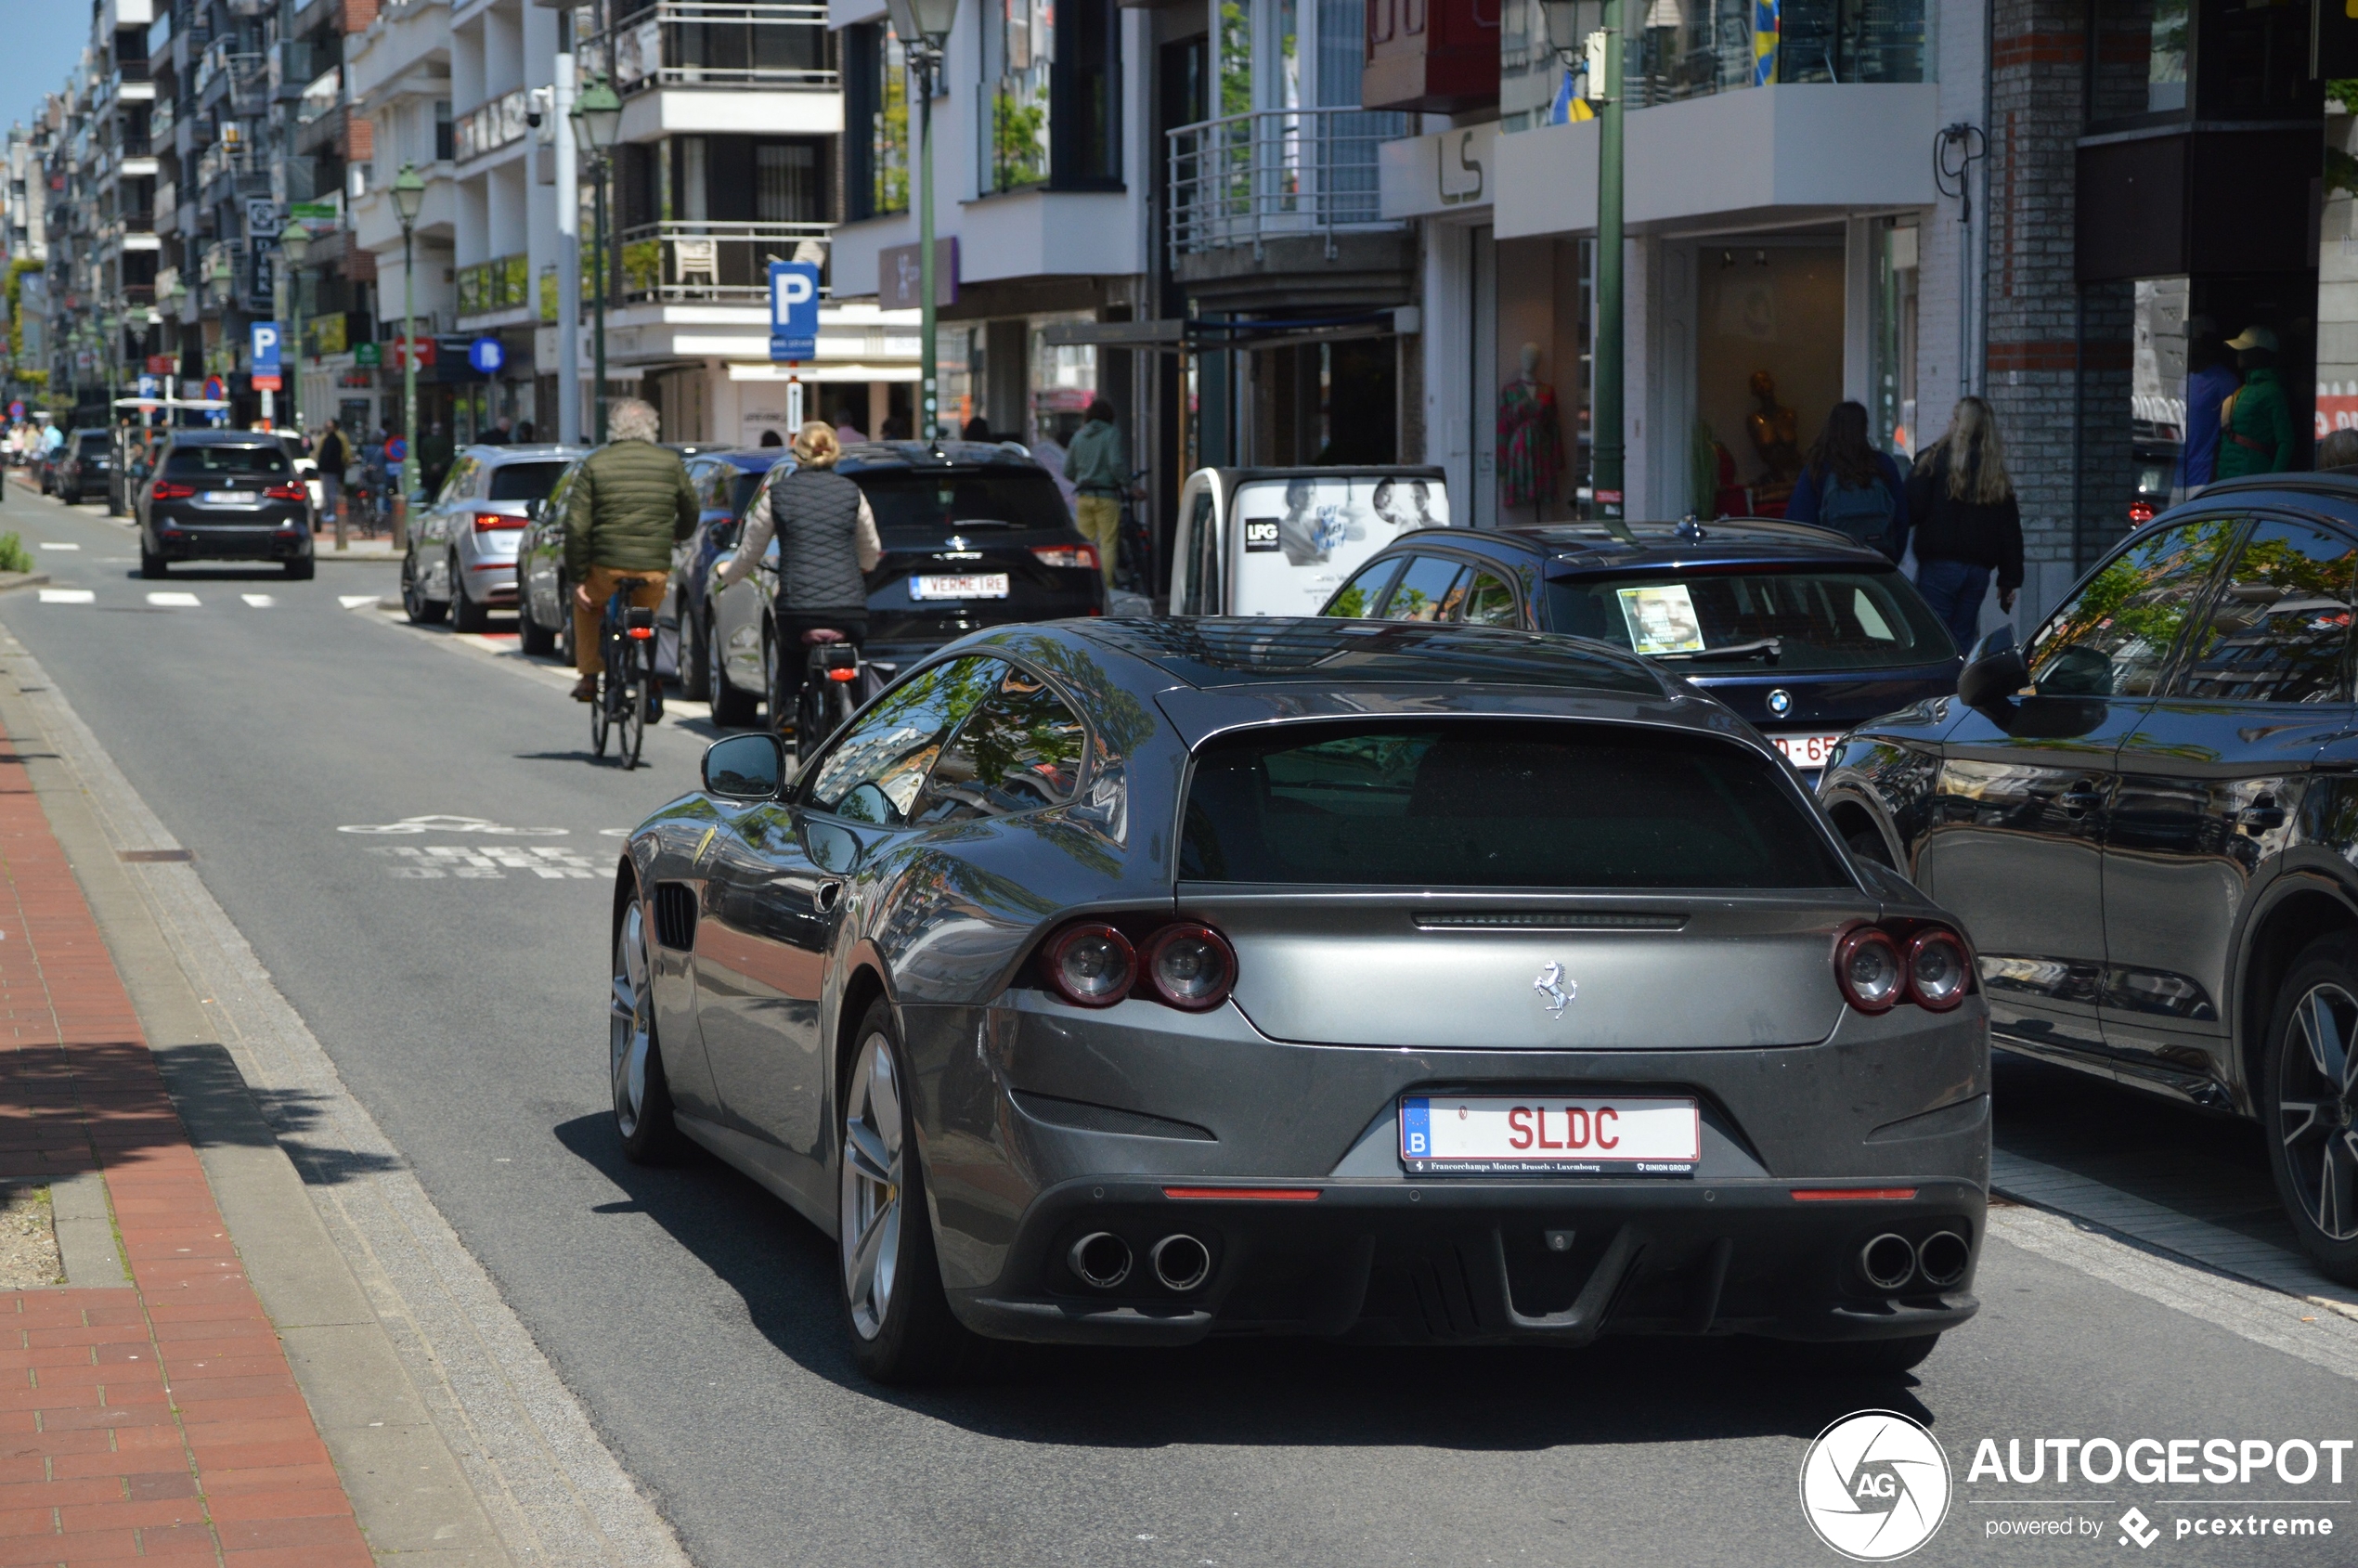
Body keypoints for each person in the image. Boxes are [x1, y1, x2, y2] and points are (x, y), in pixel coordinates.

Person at [710, 421, 882, 739]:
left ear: (798, 454)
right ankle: (858, 719)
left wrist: (728, 576)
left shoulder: (777, 495)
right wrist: (862, 569)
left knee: (791, 651)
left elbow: (750, 553)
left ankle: (788, 707)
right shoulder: (852, 493)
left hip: (798, 608)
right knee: (853, 654)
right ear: (834, 453)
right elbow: (871, 549)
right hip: (848, 608)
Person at [564, 397, 700, 709]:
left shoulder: (595, 464)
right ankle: (649, 677)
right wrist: (677, 533)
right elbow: (691, 509)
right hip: (653, 566)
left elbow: (576, 526)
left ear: (615, 428)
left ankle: (588, 676)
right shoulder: (669, 463)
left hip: (606, 567)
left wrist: (577, 578)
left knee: (586, 605)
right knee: (647, 618)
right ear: (651, 428)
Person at [1904, 395, 2024, 651]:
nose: (1949, 422)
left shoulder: (1933, 460)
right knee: (1962, 638)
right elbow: (2009, 530)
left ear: (1961, 425)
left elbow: (1911, 509)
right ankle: (1959, 686)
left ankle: (1937, 687)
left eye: (1955, 417)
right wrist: (2009, 579)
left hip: (1939, 565)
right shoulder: (1994, 472)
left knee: (1933, 637)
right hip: (1978, 571)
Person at [1786, 400, 1909, 560]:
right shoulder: (1883, 465)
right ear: (1865, 429)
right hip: (1876, 562)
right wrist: (1890, 562)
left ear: (1830, 428)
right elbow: (1901, 520)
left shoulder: (1818, 469)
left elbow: (1799, 524)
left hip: (1832, 565)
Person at [2214, 326, 2295, 480]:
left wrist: (2271, 482)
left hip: (2251, 479)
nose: (2240, 353)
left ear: (2261, 354)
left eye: (2245, 349)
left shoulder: (2273, 392)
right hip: (2227, 479)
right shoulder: (2244, 389)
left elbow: (2286, 442)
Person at [1062, 398, 1125, 588]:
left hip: (1084, 497)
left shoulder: (1078, 437)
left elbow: (1067, 471)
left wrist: (1082, 478)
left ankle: (1085, 583)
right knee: (1107, 543)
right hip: (1107, 496)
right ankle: (1107, 585)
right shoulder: (1111, 434)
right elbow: (1116, 463)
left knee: (1086, 544)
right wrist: (1127, 483)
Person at [2178, 317, 2237, 491]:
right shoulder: (2183, 379)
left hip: (2203, 478)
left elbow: (2228, 433)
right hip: (2178, 476)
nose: (2188, 345)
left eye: (2194, 340)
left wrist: (2215, 476)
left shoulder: (2224, 381)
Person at [315, 419, 354, 534]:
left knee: (332, 492)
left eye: (329, 426)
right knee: (327, 492)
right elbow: (318, 452)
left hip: (334, 469)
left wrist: (346, 462)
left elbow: (345, 452)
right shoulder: (325, 438)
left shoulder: (339, 438)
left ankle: (333, 512)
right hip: (327, 469)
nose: (327, 428)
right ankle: (329, 511)